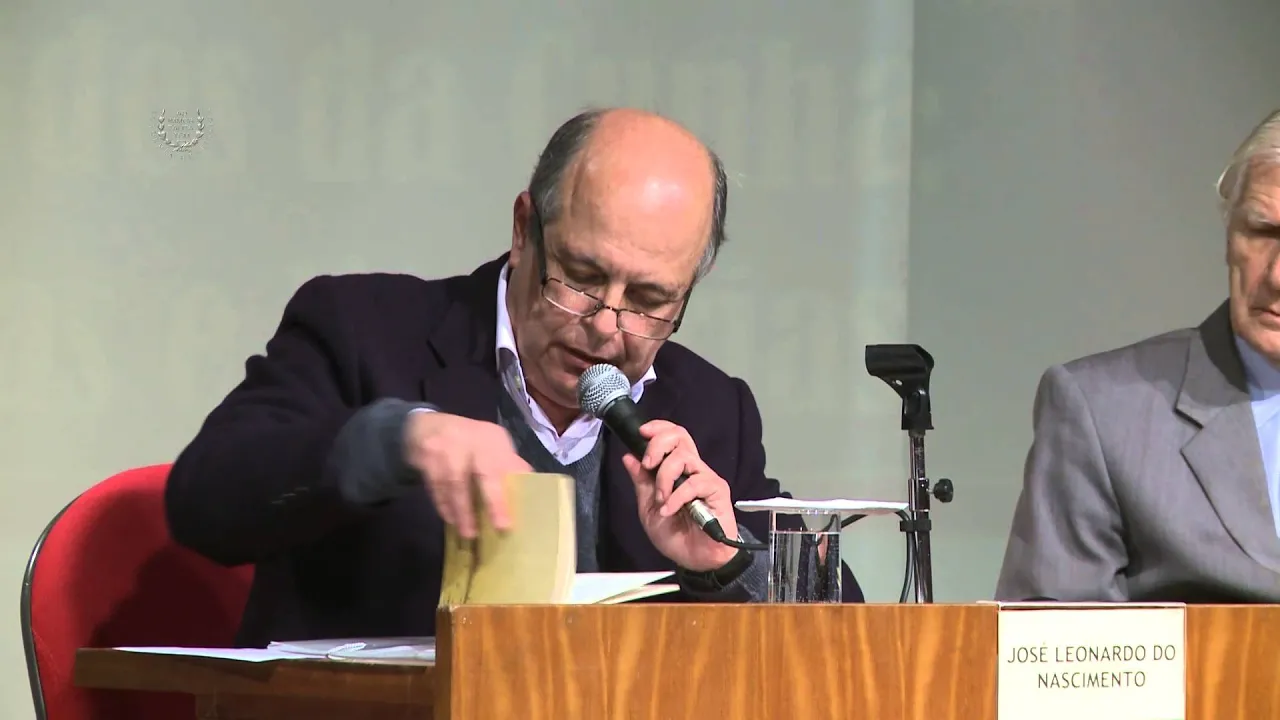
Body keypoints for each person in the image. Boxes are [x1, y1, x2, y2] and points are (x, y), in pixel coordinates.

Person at [165, 107, 865, 646]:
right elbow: (204, 500)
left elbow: (846, 628)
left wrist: (726, 564)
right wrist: (391, 440)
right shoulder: (363, 333)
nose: (606, 327)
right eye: (581, 278)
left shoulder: (710, 408)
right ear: (525, 229)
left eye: (650, 301)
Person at [996, 108, 1280, 603]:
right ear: (1228, 233)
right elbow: (1051, 642)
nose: (1275, 276)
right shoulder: (1104, 412)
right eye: (1261, 231)